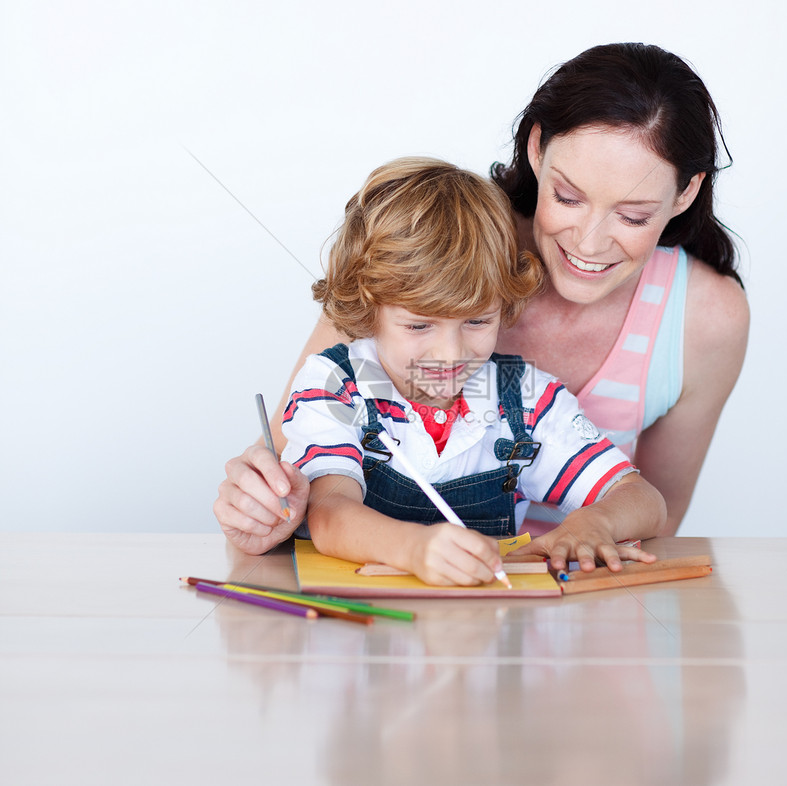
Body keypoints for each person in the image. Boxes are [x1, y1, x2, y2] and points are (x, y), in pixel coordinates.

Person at [214, 42, 748, 559]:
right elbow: (306, 491)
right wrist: (264, 505)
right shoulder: (431, 244)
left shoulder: (534, 397)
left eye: (632, 216)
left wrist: (595, 524)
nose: (588, 243)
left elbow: (655, 512)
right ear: (537, 147)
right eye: (567, 196)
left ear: (685, 192)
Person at [280, 157, 665, 585]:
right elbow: (329, 514)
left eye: (477, 321)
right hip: (365, 631)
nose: (450, 353)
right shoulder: (334, 386)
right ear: (370, 310)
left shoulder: (527, 402)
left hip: (490, 635)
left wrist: (596, 524)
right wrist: (414, 549)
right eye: (419, 325)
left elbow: (644, 500)